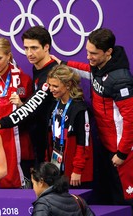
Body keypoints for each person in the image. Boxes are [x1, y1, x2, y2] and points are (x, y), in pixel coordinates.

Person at [53, 28, 133, 206]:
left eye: (93, 53)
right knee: (110, 197)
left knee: (125, 199)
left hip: (121, 150)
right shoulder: (100, 66)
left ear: (108, 52)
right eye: (87, 51)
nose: (89, 57)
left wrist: (122, 152)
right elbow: (86, 70)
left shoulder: (121, 80)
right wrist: (63, 63)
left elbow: (131, 120)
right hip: (105, 144)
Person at [0, 26, 58, 165]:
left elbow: (32, 107)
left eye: (34, 48)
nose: (29, 53)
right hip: (38, 136)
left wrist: (0, 123)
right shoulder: (38, 67)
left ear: (46, 47)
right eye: (26, 48)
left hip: (50, 139)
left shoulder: (51, 73)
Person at [0, 36, 33, 187]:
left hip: (18, 143)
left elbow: (34, 115)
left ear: (9, 56)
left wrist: (22, 105)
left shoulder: (23, 80)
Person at [47, 65, 93, 187]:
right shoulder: (55, 104)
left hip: (74, 172)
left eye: (55, 86)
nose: (51, 89)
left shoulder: (79, 109)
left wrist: (77, 170)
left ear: (68, 85)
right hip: (57, 168)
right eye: (50, 85)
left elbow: (84, 143)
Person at [31, 162, 95, 216]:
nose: (33, 188)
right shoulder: (79, 200)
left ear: (41, 182)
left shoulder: (43, 204)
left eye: (33, 183)